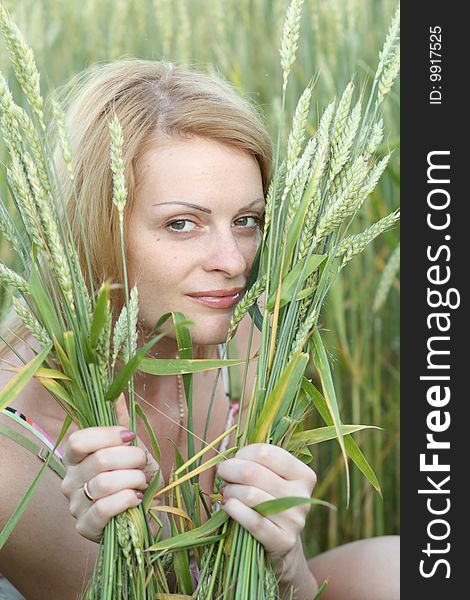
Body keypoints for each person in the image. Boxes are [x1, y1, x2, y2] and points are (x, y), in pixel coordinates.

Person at [0, 58, 399, 600]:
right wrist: (117, 549)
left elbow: (289, 589)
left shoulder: (250, 342)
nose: (232, 261)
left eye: (246, 220)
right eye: (181, 223)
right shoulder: (13, 449)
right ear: (92, 225)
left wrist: (286, 565)